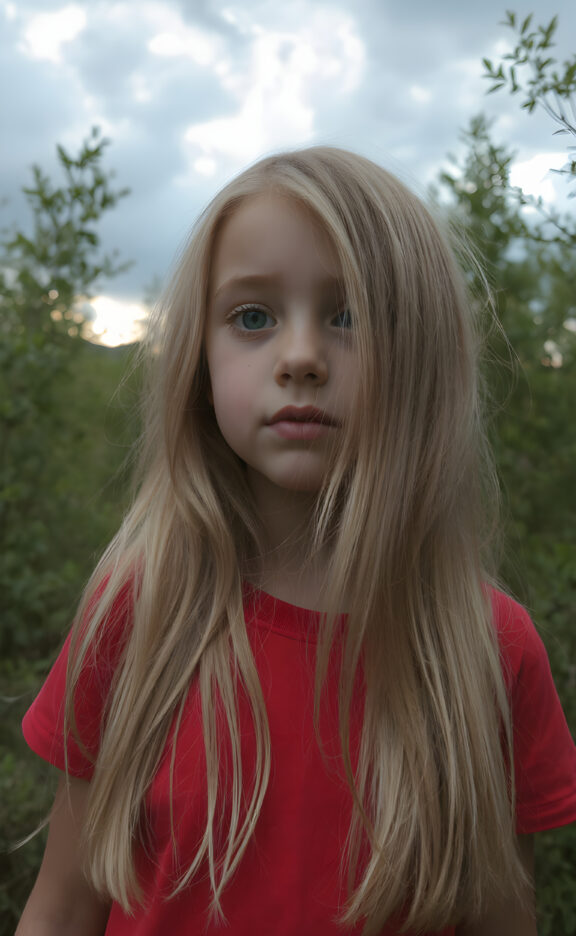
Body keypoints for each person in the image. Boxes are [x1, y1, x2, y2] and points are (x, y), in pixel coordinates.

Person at [17, 147, 576, 936]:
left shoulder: (487, 650)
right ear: (199, 360)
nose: (303, 357)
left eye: (349, 316)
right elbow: (63, 907)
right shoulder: (138, 612)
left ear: (419, 357)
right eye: (253, 317)